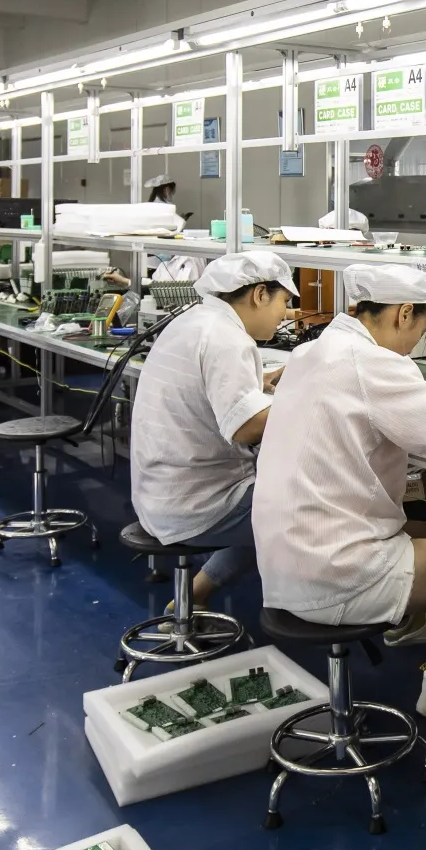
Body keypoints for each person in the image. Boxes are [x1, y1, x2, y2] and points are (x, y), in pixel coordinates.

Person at [253, 265, 426, 717]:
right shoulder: (371, 363)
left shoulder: (310, 353)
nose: (415, 343)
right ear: (403, 314)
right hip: (336, 572)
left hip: (288, 553)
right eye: (419, 329)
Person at [129, 252, 297, 605]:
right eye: (284, 301)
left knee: (274, 509)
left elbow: (204, 387)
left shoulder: (194, 320)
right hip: (200, 503)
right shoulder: (227, 338)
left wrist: (259, 382)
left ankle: (194, 596)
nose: (286, 314)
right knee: (309, 507)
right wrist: (311, 399)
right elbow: (248, 429)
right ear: (260, 294)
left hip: (157, 491)